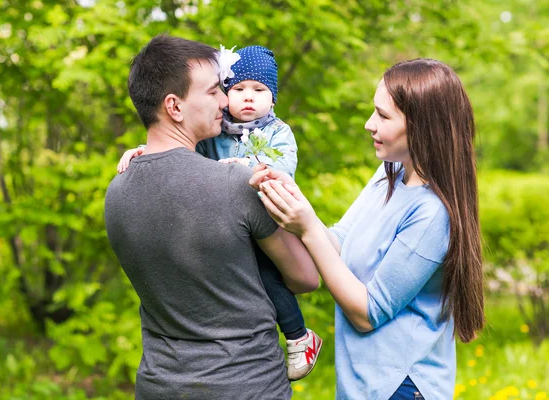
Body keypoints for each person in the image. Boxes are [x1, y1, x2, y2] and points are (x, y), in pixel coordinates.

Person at [251, 58, 485, 399]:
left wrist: (307, 229)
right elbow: (340, 243)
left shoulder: (432, 214)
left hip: (400, 388)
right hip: (363, 385)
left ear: (422, 126)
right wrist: (293, 198)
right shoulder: (390, 172)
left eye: (383, 116)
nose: (368, 124)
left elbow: (366, 313)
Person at [104, 34, 319, 399]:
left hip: (160, 385)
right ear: (174, 106)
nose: (225, 99)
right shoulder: (236, 182)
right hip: (246, 386)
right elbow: (305, 278)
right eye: (213, 91)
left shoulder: (117, 191)